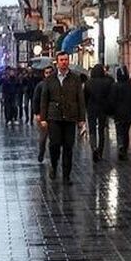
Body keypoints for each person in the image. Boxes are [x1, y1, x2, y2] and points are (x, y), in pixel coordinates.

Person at [39, 52, 86, 184]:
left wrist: (81, 119)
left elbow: (80, 99)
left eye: (66, 60)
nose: (64, 62)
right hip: (54, 117)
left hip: (70, 117)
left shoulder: (75, 78)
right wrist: (43, 118)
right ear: (57, 62)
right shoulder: (50, 79)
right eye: (61, 60)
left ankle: (66, 175)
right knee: (54, 145)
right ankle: (54, 166)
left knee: (68, 147)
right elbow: (44, 99)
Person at [85, 64, 113, 163]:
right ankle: (100, 151)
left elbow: (85, 97)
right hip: (103, 109)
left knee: (92, 130)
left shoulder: (88, 83)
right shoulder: (108, 82)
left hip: (91, 108)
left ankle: (93, 147)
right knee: (102, 130)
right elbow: (111, 96)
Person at [111, 66, 131, 160]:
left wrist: (111, 111)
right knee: (126, 132)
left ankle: (120, 146)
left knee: (119, 131)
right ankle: (124, 149)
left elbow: (112, 100)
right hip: (128, 113)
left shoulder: (115, 86)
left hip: (118, 113)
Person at [33, 67, 52, 162]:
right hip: (43, 114)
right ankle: (41, 152)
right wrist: (37, 113)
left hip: (53, 115)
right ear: (44, 74)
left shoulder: (56, 84)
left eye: (50, 72)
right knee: (43, 136)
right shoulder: (40, 85)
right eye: (46, 73)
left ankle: (53, 155)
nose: (48, 74)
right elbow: (36, 99)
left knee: (53, 138)